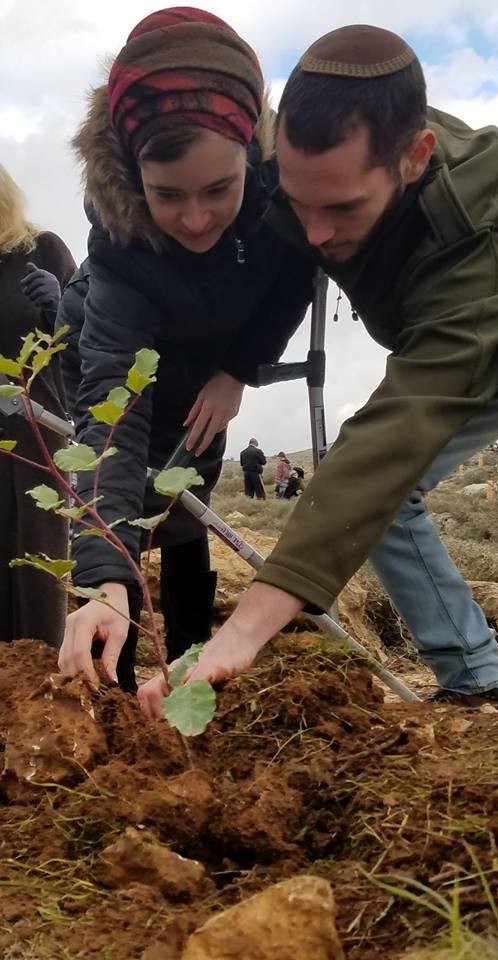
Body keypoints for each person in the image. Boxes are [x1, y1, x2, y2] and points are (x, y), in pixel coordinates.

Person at [138, 23, 498, 719]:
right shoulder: (293, 167)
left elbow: (408, 418)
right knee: (376, 497)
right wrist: (235, 367)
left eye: (344, 208)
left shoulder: (483, 228)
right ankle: (475, 679)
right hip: (445, 346)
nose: (315, 233)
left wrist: (249, 625)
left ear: (415, 158)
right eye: (299, 202)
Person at [56, 7, 314, 692]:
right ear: (132, 174)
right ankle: (118, 673)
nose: (195, 218)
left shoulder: (286, 201)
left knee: (188, 508)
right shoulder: (119, 255)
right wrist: (103, 579)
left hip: (208, 381)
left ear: (252, 155)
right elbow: (110, 409)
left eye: (217, 189)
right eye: (167, 195)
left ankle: (195, 660)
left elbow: (294, 285)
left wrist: (240, 370)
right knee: (128, 518)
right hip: (126, 374)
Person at [0, 163, 76, 647]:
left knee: (37, 555)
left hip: (35, 429)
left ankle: (44, 680)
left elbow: (87, 340)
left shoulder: (40, 249)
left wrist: (61, 306)